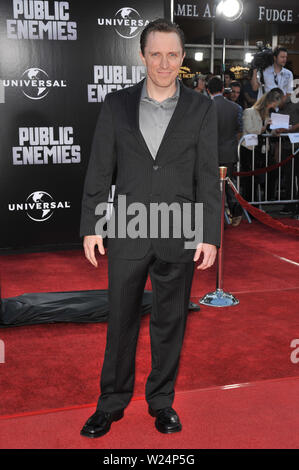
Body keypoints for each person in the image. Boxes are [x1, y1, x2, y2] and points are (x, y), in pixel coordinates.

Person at [79, 18, 221, 439]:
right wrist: (93, 224)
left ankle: (162, 402)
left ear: (182, 58)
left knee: (170, 322)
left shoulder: (201, 108)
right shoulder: (116, 104)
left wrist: (209, 233)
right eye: (155, 54)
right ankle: (110, 403)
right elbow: (100, 169)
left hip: (179, 231)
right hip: (127, 227)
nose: (164, 63)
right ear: (142, 56)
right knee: (120, 320)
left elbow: (206, 175)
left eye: (172, 54)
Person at [207, 76, 243, 226]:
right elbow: (239, 131)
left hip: (210, 153)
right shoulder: (236, 108)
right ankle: (236, 213)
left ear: (208, 90)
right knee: (229, 185)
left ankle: (216, 218)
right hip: (229, 153)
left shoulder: (205, 106)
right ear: (223, 89)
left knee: (210, 187)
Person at [241, 88, 284, 201]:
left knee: (273, 170)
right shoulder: (249, 112)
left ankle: (268, 198)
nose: (273, 108)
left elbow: (269, 132)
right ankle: (251, 204)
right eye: (272, 105)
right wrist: (264, 127)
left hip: (263, 149)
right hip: (249, 149)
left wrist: (276, 131)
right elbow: (250, 129)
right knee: (251, 179)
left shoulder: (268, 115)